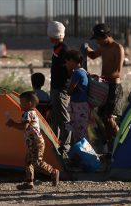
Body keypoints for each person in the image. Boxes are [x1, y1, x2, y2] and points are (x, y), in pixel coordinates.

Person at [82, 23, 125, 151]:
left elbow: (118, 71)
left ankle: (121, 140)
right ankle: (109, 145)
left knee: (110, 117)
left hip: (114, 87)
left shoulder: (118, 48)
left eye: (99, 39)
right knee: (103, 117)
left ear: (106, 36)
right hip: (104, 86)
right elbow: (93, 55)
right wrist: (86, 48)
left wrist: (103, 78)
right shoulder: (103, 46)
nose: (98, 41)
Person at [6, 91, 59, 190]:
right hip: (32, 142)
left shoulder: (28, 113)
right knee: (28, 162)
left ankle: (53, 172)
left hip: (35, 142)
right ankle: (29, 182)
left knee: (37, 162)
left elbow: (24, 126)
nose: (20, 104)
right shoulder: (31, 113)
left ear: (29, 104)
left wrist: (13, 124)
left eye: (21, 102)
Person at [47, 21, 72, 157]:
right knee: (55, 119)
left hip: (61, 89)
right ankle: (55, 144)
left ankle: (65, 147)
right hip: (56, 89)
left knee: (64, 118)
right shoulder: (58, 48)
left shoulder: (63, 49)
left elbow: (68, 69)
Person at [64, 50, 91, 142]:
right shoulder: (83, 71)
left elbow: (69, 91)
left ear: (72, 61)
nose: (66, 64)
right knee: (82, 131)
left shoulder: (76, 73)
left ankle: (84, 153)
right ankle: (82, 153)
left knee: (79, 132)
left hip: (78, 106)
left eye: (67, 61)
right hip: (83, 105)